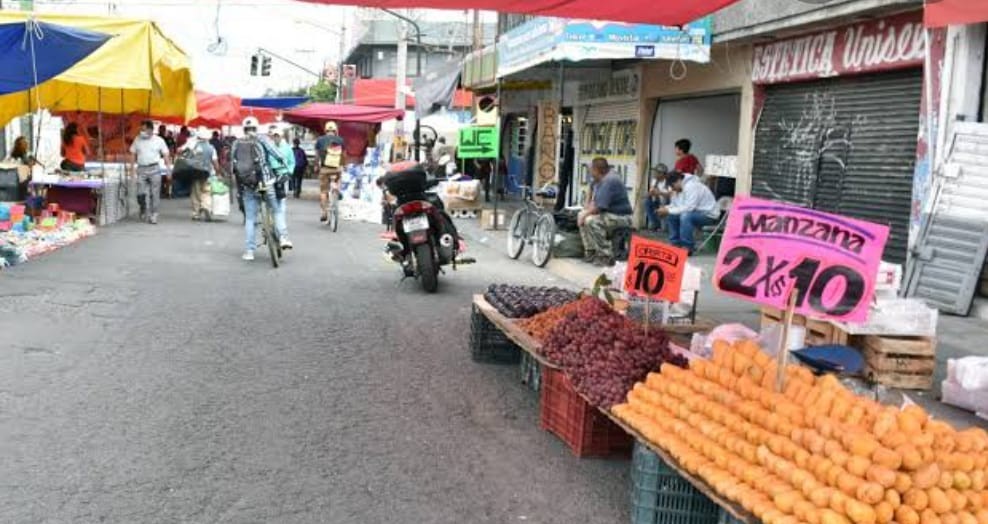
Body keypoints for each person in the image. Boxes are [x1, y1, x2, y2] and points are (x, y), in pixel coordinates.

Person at [232, 117, 292, 261]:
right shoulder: (262, 139)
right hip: (264, 184)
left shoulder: (236, 143)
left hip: (248, 186)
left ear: (244, 129)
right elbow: (276, 154)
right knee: (276, 210)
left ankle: (249, 251)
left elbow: (232, 166)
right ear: (256, 128)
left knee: (251, 219)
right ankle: (283, 237)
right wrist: (283, 163)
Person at [578, 157, 633, 267]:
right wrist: (585, 210)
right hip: (610, 214)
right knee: (582, 214)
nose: (590, 172)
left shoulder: (610, 180)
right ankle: (591, 252)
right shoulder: (600, 179)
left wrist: (585, 214)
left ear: (597, 170)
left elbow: (601, 207)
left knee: (591, 220)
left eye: (591, 170)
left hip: (622, 217)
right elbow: (590, 201)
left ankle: (606, 255)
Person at [658, 171, 720, 254]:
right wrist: (665, 208)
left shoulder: (692, 186)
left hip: (708, 215)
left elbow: (689, 208)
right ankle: (675, 244)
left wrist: (668, 210)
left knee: (685, 216)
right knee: (672, 215)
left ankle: (688, 247)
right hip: (695, 213)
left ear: (678, 180)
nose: (672, 189)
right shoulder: (678, 189)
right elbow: (676, 205)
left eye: (672, 186)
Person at [130, 120, 171, 224]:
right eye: (141, 129)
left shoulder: (159, 140)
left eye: (144, 129)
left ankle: (154, 214)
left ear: (151, 130)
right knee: (140, 193)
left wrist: (168, 169)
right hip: (141, 169)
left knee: (155, 193)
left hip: (155, 169)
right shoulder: (137, 139)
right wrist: (131, 170)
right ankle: (143, 207)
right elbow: (132, 154)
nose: (142, 131)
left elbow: (166, 154)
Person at [179, 127, 221, 221]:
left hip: (195, 172)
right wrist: (218, 172)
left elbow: (181, 152)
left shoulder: (193, 145)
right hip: (208, 173)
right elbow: (215, 162)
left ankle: (196, 213)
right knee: (207, 191)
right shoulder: (211, 148)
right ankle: (206, 206)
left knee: (196, 193)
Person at [315, 121, 345, 223]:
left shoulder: (320, 140)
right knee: (339, 177)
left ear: (326, 130)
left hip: (324, 169)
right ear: (335, 130)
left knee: (323, 191)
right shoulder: (340, 140)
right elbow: (344, 155)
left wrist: (316, 166)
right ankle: (337, 188)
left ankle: (324, 213)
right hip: (337, 169)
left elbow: (317, 155)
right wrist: (342, 165)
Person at [644, 163, 670, 230]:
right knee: (647, 201)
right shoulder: (654, 181)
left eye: (657, 172)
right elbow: (650, 192)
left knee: (665, 229)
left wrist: (660, 193)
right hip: (658, 203)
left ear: (662, 174)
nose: (655, 174)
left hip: (668, 205)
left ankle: (664, 226)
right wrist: (650, 193)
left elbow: (671, 195)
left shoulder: (669, 181)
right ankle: (655, 223)